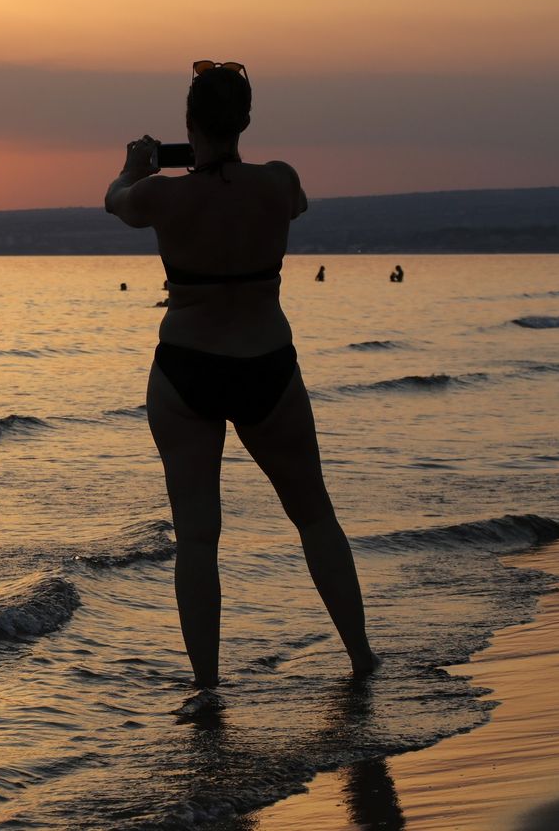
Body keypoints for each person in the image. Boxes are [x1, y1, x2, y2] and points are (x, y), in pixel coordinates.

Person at [104, 60, 378, 688]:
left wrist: (135, 166)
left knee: (197, 537)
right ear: (245, 120)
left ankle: (207, 684)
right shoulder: (277, 182)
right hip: (266, 365)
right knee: (314, 516)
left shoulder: (162, 194)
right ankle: (361, 657)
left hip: (186, 367)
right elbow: (298, 203)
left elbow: (115, 201)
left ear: (190, 123)